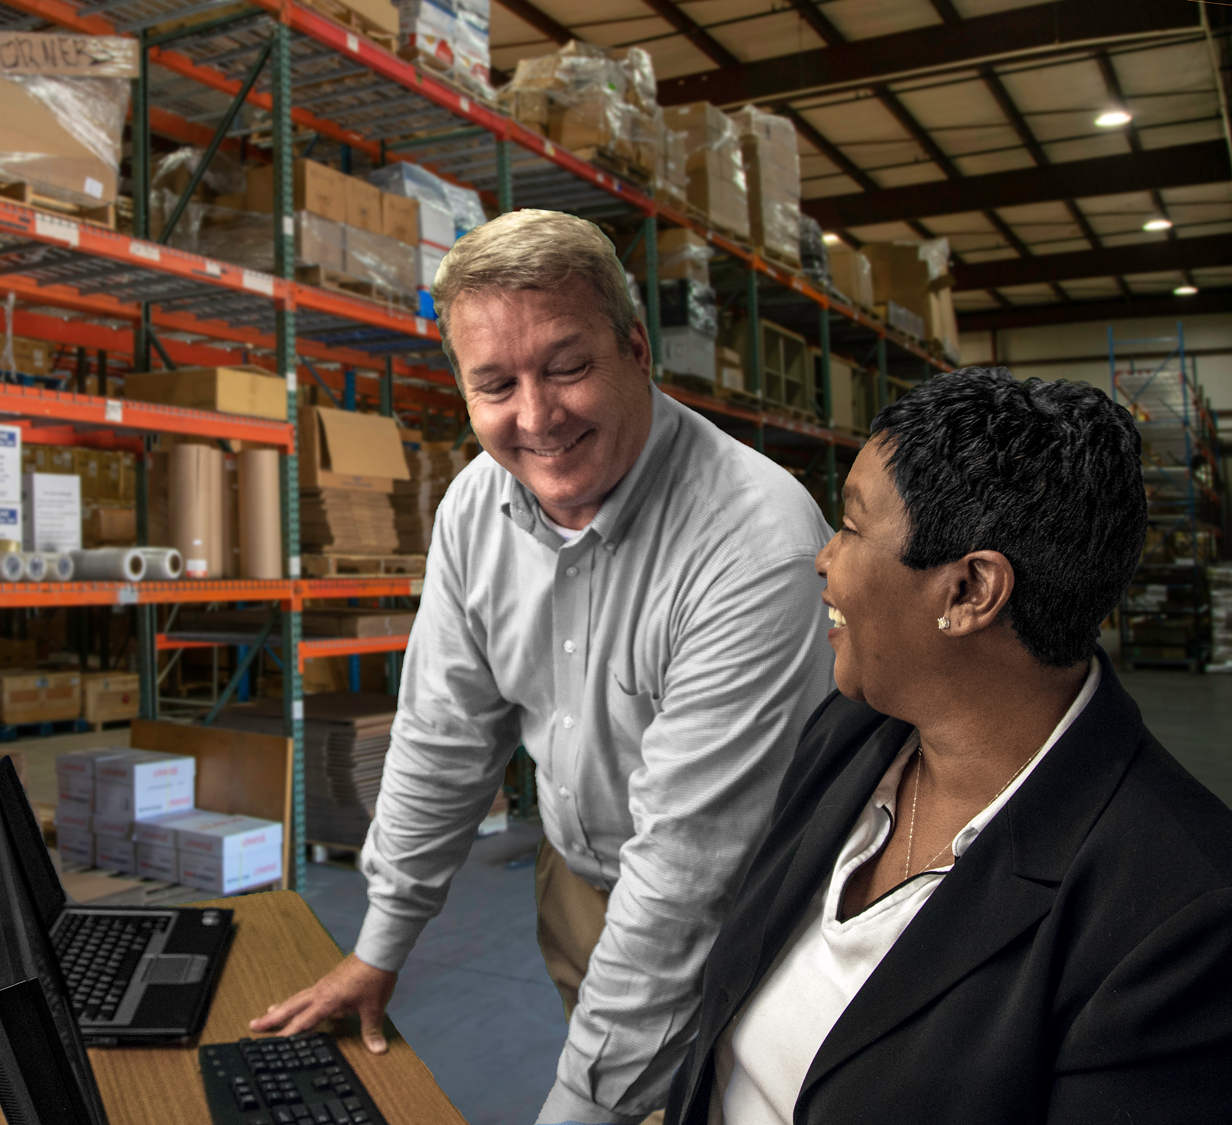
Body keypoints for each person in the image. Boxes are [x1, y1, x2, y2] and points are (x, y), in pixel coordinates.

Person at [252, 208, 836, 1124]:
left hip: (750, 906)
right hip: (578, 877)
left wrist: (577, 1104)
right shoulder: (476, 509)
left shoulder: (753, 541)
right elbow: (444, 734)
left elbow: (688, 871)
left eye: (568, 367)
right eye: (495, 384)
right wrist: (380, 945)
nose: (536, 418)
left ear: (637, 348)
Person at [663, 368, 1232, 1124]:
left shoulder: (1182, 918)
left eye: (849, 526)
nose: (824, 559)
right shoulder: (851, 736)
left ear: (970, 590)